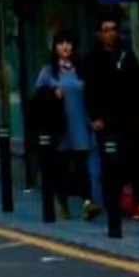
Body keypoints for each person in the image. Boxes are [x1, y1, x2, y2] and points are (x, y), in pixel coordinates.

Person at [83, 11, 139, 219]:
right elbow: (90, 90)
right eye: (106, 30)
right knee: (112, 163)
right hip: (107, 120)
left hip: (131, 117)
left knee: (136, 161)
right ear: (98, 34)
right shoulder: (93, 59)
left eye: (113, 29)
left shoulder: (126, 54)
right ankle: (113, 205)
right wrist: (95, 117)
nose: (111, 34)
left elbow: (138, 82)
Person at [30, 27, 91, 220]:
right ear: (55, 47)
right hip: (59, 126)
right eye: (61, 43)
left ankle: (87, 202)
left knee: (82, 165)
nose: (65, 47)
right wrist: (52, 94)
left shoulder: (81, 69)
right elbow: (37, 100)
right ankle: (62, 203)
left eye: (68, 43)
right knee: (62, 168)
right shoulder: (48, 72)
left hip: (80, 123)